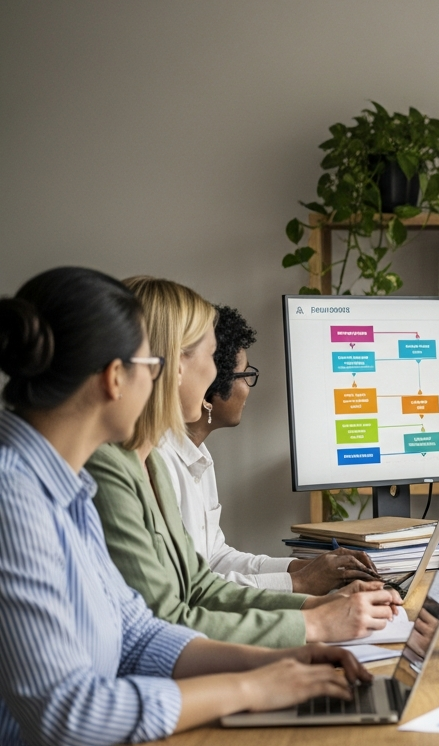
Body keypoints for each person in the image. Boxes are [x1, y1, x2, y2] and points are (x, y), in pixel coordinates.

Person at [0, 267, 373, 746]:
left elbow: (135, 632)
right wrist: (251, 687)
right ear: (116, 379)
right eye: (152, 366)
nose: (163, 380)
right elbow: (70, 713)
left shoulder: (63, 487)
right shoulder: (15, 499)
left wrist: (279, 659)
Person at [89, 277, 399, 648]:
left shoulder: (151, 464)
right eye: (210, 355)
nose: (212, 374)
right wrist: (310, 619)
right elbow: (171, 614)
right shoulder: (124, 464)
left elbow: (198, 584)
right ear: (174, 366)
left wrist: (315, 604)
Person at [156, 304, 378, 594]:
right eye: (244, 374)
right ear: (211, 386)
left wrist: (303, 568)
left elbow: (214, 558)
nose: (249, 386)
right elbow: (190, 588)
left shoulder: (198, 457)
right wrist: (300, 583)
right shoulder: (159, 463)